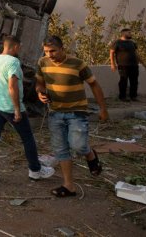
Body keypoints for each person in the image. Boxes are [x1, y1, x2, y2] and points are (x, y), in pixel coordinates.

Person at [36, 36, 109, 198]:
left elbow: (94, 85)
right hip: (55, 113)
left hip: (77, 112)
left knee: (79, 147)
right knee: (61, 150)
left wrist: (103, 108)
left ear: (62, 48)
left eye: (53, 51)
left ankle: (90, 154)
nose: (50, 55)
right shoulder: (42, 62)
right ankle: (69, 186)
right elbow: (39, 82)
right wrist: (40, 93)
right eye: (46, 51)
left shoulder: (78, 64)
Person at [0, 35, 55, 186]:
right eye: (19, 47)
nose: (19, 50)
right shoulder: (14, 62)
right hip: (10, 107)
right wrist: (16, 110)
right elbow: (12, 86)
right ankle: (35, 170)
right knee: (27, 138)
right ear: (14, 47)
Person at [109, 28, 146, 101]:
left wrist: (144, 63)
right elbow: (111, 52)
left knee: (134, 81)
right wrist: (112, 64)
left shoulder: (132, 43)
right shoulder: (117, 42)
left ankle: (133, 96)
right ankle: (122, 97)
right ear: (123, 33)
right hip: (123, 65)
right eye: (129, 32)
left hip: (134, 65)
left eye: (131, 32)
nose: (131, 34)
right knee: (123, 81)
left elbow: (136, 54)